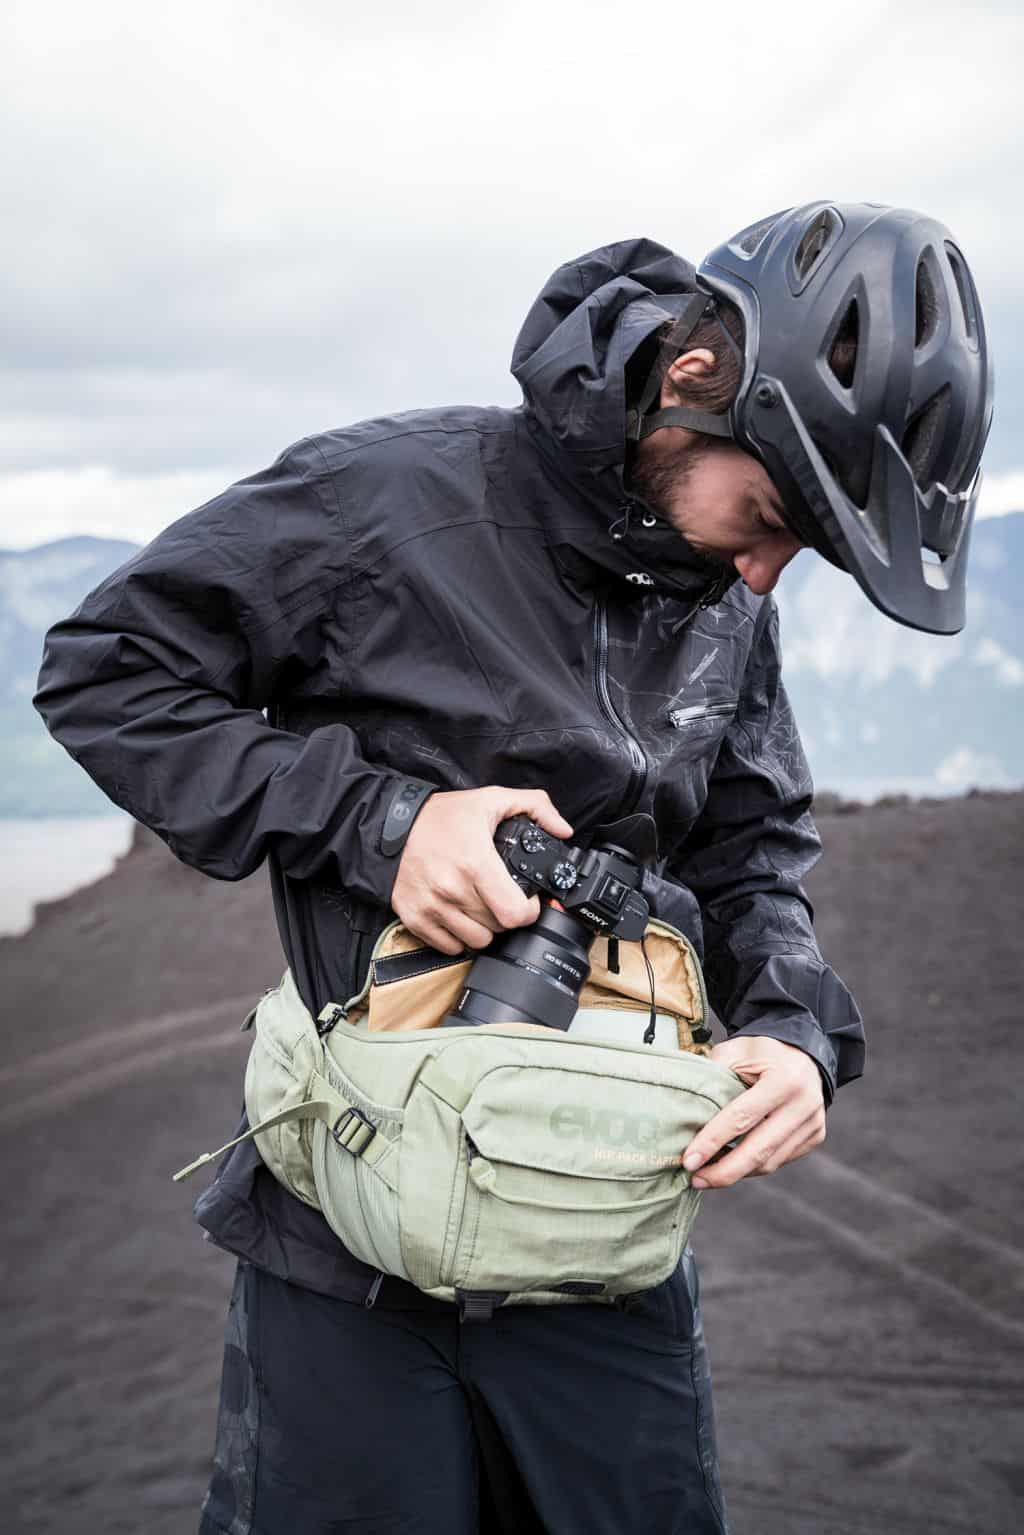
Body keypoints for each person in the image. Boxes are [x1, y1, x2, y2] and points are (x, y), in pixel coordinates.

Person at [34, 201, 992, 1535]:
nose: (765, 576)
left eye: (803, 551)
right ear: (695, 380)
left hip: (606, 1253)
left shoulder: (725, 599)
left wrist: (793, 1028)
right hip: (345, 1262)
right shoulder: (385, 502)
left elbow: (750, 852)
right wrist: (378, 821)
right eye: (770, 514)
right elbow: (108, 675)